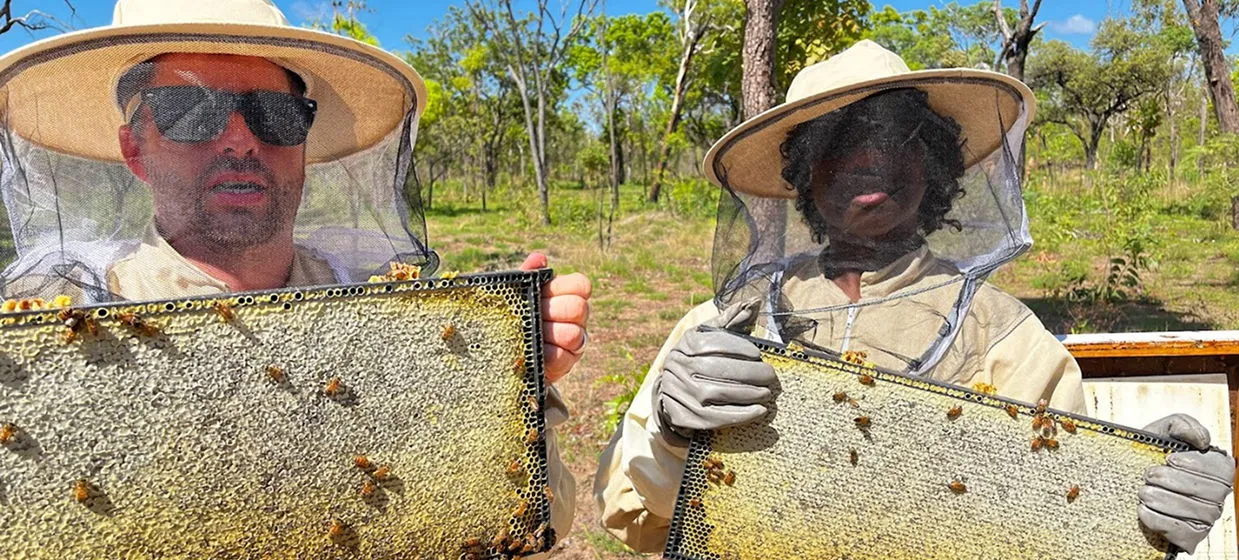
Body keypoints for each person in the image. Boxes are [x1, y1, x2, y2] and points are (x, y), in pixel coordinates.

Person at [595, 40, 1234, 554]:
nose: (867, 160)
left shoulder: (1004, 335)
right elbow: (632, 517)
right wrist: (671, 438)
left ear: (933, 164)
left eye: (894, 138)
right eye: (838, 143)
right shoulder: (724, 319)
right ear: (801, 176)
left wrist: (1129, 501)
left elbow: (1051, 524)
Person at [0, 0, 589, 550]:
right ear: (135, 149)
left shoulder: (395, 317)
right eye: (190, 112)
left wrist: (516, 388)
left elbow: (529, 518)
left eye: (275, 116)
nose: (240, 140)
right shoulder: (46, 337)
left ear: (302, 142)